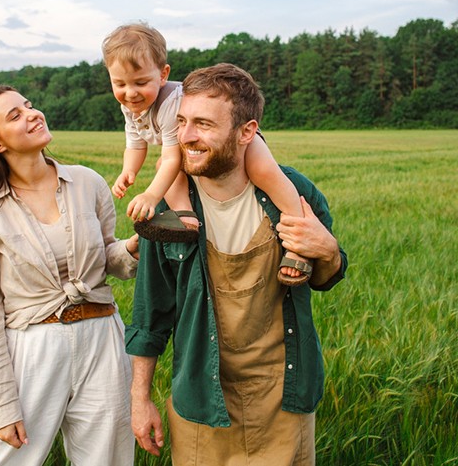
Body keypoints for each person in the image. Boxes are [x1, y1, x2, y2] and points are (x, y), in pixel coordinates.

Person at [124, 64, 348, 465]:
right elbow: (150, 312)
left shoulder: (293, 193)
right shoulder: (167, 213)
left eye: (204, 124)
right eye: (181, 122)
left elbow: (326, 276)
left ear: (247, 132)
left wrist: (327, 251)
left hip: (284, 396)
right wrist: (140, 400)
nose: (186, 137)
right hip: (200, 401)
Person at [0, 85, 139, 466]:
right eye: (15, 116)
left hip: (103, 338)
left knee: (109, 460)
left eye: (30, 105)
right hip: (32, 351)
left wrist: (136, 246)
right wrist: (1, 404)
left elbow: (107, 258)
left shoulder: (87, 182)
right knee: (6, 460)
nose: (33, 114)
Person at [102, 22, 313, 284]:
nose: (130, 93)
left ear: (163, 75)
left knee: (266, 174)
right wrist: (128, 170)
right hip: (189, 146)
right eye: (119, 84)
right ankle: (186, 217)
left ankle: (299, 241)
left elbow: (171, 157)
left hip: (238, 139)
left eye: (140, 82)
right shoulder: (130, 105)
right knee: (164, 169)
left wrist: (150, 195)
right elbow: (135, 143)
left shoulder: (168, 105)